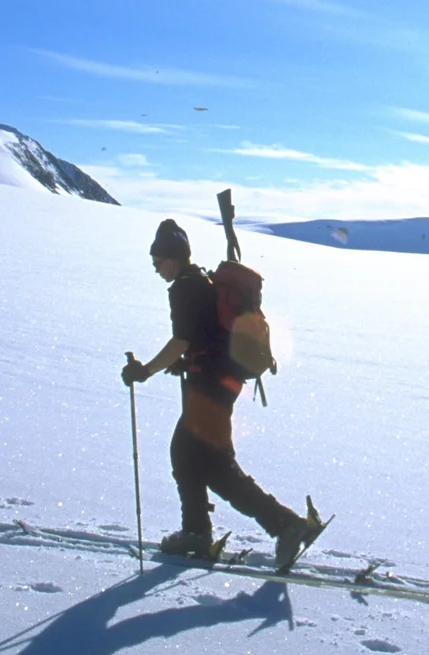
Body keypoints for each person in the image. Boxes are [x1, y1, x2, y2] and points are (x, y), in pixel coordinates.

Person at [123, 219, 321, 569]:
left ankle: (265, 527)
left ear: (172, 259)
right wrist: (186, 362)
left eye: (157, 262)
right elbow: (206, 336)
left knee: (197, 458)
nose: (156, 269)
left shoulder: (184, 289)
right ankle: (207, 530)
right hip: (219, 382)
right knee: (204, 462)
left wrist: (146, 371)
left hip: (210, 386)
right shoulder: (201, 282)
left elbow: (182, 339)